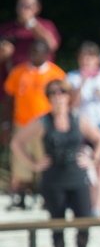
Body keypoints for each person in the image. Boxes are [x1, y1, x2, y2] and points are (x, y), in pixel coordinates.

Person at [10, 79, 100, 247]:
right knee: (57, 223)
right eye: (54, 93)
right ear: (49, 97)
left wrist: (93, 160)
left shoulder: (77, 118)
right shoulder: (43, 121)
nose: (58, 96)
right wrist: (34, 164)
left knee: (84, 220)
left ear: (68, 96)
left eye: (62, 92)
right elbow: (17, 142)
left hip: (76, 176)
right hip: (53, 180)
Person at [4, 40, 65, 209]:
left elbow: (64, 99)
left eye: (37, 52)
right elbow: (9, 99)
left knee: (44, 158)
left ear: (46, 54)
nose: (33, 55)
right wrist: (6, 125)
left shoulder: (55, 73)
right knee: (21, 161)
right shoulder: (19, 72)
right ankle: (22, 197)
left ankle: (46, 195)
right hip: (22, 123)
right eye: (31, 52)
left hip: (44, 124)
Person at [67, 41, 100, 217]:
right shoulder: (72, 78)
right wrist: (81, 85)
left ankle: (98, 208)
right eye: (84, 59)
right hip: (83, 126)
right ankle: (83, 206)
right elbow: (70, 107)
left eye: (91, 59)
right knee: (83, 167)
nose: (87, 63)